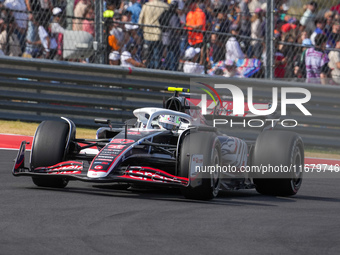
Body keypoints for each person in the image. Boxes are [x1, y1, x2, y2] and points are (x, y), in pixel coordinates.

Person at [138, 0, 168, 69]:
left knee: (147, 56)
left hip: (147, 34)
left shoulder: (146, 5)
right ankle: (156, 73)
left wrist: (144, 28)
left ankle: (148, 71)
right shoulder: (165, 6)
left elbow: (140, 21)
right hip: (158, 34)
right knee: (157, 56)